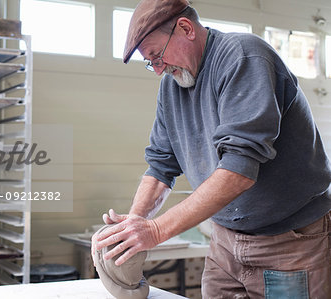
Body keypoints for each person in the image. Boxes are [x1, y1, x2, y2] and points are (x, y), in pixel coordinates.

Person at [92, 0, 331, 298]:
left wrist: (154, 232)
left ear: (185, 28)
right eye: (150, 62)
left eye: (157, 56)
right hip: (224, 243)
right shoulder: (171, 88)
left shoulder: (243, 57)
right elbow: (160, 167)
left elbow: (238, 171)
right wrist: (134, 224)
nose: (157, 70)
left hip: (288, 241)